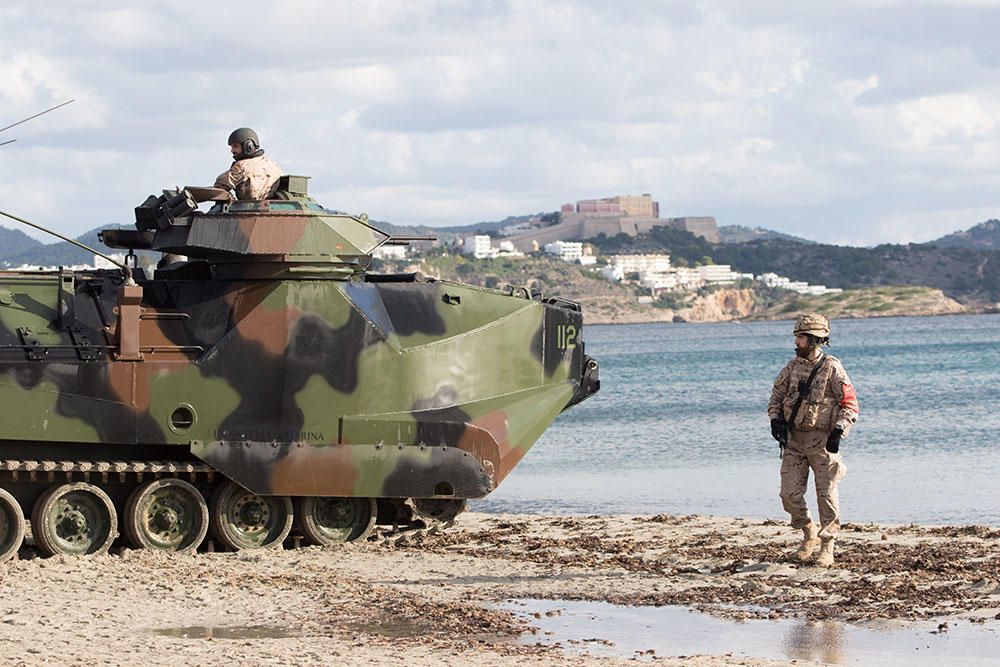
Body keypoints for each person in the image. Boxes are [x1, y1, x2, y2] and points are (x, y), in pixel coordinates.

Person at [768, 313, 859, 567]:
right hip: (794, 442)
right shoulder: (792, 367)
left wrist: (839, 432)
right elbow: (776, 396)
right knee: (789, 495)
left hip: (822, 442)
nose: (796, 342)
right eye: (797, 337)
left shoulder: (832, 369)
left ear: (815, 340)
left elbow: (850, 404)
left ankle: (827, 546)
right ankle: (808, 531)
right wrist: (776, 420)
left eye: (801, 338)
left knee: (827, 496)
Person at [214, 127, 283, 200]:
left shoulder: (242, 166)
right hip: (269, 208)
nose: (232, 150)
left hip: (245, 208)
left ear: (248, 146)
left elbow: (219, 186)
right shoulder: (274, 165)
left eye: (235, 146)